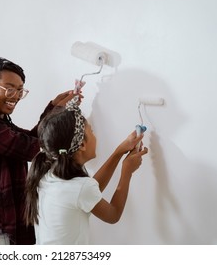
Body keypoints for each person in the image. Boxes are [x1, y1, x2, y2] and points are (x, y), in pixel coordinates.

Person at [0, 57, 76, 245]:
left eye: (20, 90)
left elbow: (30, 139)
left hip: (10, 223)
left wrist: (55, 108)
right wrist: (58, 115)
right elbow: (31, 148)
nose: (15, 95)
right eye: (9, 88)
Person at [24, 96, 148, 244]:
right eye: (92, 132)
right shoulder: (80, 188)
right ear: (82, 145)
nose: (95, 136)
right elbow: (113, 214)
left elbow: (88, 193)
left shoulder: (49, 173)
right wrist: (126, 172)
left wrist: (118, 152)